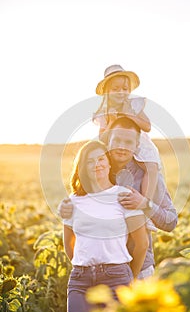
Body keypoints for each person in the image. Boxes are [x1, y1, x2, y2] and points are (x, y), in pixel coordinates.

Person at [60, 117, 178, 280]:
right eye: (117, 140)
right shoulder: (96, 171)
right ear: (108, 140)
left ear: (137, 145)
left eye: (129, 142)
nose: (122, 147)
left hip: (141, 271)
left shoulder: (149, 177)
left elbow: (171, 221)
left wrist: (144, 204)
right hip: (98, 275)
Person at [63, 140, 148, 312]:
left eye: (101, 159)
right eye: (90, 161)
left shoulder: (124, 196)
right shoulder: (72, 201)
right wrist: (83, 266)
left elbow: (141, 244)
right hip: (80, 281)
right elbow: (68, 243)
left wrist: (129, 277)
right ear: (82, 167)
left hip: (117, 277)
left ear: (109, 163)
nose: (97, 165)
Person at [93, 64, 161, 201]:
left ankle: (145, 201)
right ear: (107, 91)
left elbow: (147, 126)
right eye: (115, 89)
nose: (121, 92)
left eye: (125, 89)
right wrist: (111, 121)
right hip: (115, 144)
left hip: (137, 141)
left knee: (151, 166)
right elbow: (102, 137)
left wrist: (128, 115)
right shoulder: (104, 111)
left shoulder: (134, 105)